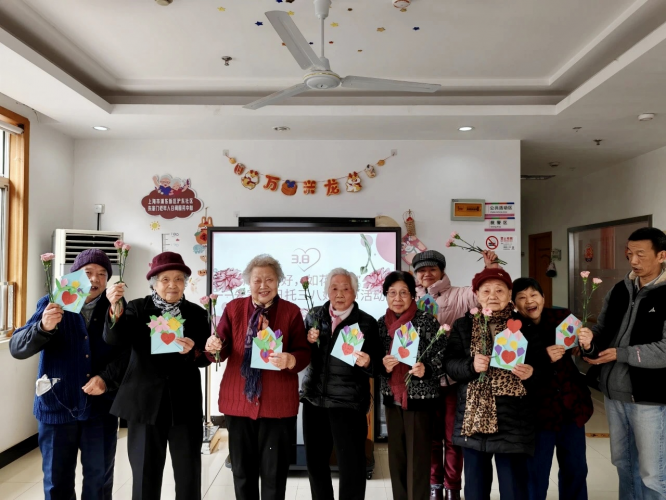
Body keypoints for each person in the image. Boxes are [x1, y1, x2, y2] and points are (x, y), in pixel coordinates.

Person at [10, 249, 127, 500]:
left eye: (102, 274)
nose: (95, 279)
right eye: (88, 273)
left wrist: (106, 379)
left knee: (99, 479)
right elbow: (17, 348)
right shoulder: (52, 303)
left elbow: (126, 355)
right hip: (56, 406)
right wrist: (43, 327)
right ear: (75, 276)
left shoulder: (116, 308)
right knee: (56, 480)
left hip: (100, 409)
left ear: (108, 280)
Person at [104, 251, 211, 500]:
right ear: (154, 283)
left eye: (178, 279)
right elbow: (115, 339)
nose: (172, 285)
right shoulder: (137, 308)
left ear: (185, 283)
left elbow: (206, 357)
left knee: (188, 474)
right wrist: (114, 307)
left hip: (184, 405)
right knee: (144, 475)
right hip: (144, 405)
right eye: (165, 279)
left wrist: (193, 351)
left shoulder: (196, 313)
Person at [205, 254, 310, 500]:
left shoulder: (291, 312)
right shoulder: (233, 309)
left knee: (274, 474)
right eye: (257, 280)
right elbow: (221, 349)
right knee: (242, 472)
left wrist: (291, 359)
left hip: (277, 405)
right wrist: (214, 347)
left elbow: (304, 353)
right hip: (239, 402)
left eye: (269, 280)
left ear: (278, 282)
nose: (263, 286)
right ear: (248, 283)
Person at [579, 227, 666, 500]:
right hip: (614, 395)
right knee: (624, 464)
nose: (634, 261)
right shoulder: (620, 289)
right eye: (630, 254)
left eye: (641, 254)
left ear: (662, 255)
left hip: (650, 398)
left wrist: (621, 354)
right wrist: (589, 344)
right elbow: (604, 330)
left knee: (653, 473)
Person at [444, 268, 543, 500]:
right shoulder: (463, 325)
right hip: (474, 421)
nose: (493, 295)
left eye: (499, 290)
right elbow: (449, 364)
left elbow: (543, 369)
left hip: (513, 421)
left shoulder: (524, 326)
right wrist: (470, 365)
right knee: (475, 491)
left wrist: (531, 372)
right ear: (476, 294)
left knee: (513, 490)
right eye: (486, 290)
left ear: (510, 293)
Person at [412, 249, 499, 500]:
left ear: (442, 271)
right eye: (421, 270)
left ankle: (452, 487)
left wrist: (488, 270)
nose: (427, 274)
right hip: (423, 380)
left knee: (453, 436)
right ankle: (434, 486)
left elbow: (485, 294)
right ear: (415, 274)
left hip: (452, 379)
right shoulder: (412, 298)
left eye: (432, 269)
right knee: (430, 437)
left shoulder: (460, 294)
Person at [301, 268, 381, 500]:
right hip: (314, 400)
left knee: (352, 467)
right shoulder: (314, 316)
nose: (339, 294)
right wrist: (307, 342)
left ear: (355, 292)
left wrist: (368, 362)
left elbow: (377, 366)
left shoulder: (366, 323)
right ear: (327, 290)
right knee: (315, 464)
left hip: (348, 404)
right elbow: (301, 355)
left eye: (346, 288)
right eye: (334, 288)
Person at [513, 277, 593, 500]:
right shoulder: (513, 330)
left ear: (543, 298)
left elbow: (586, 353)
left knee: (576, 470)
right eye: (521, 297)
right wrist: (543, 357)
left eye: (533, 295)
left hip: (571, 407)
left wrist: (587, 345)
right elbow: (512, 365)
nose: (529, 301)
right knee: (536, 474)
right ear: (514, 305)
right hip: (537, 414)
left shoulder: (562, 318)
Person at [378, 270, 446, 500]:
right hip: (392, 397)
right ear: (385, 295)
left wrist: (425, 368)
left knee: (418, 460)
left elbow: (443, 355)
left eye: (403, 292)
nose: (397, 298)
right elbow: (373, 359)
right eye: (392, 292)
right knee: (396, 458)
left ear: (413, 295)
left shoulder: (425, 321)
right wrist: (383, 365)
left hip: (420, 400)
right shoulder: (381, 324)